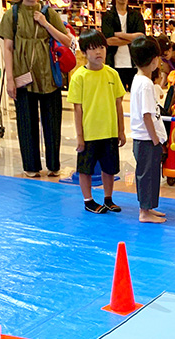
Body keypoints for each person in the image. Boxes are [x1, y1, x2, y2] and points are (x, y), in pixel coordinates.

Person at [0, 0, 72, 178]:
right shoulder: (12, 14)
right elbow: (7, 48)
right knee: (26, 121)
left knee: (53, 121)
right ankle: (30, 165)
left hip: (49, 75)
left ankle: (54, 164)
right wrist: (9, 79)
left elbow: (67, 41)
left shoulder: (48, 13)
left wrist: (46, 24)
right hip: (23, 75)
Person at [68, 30, 125, 214]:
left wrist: (121, 131)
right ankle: (88, 200)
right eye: (92, 49)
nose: (98, 52)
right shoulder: (79, 77)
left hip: (109, 131)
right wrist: (80, 137)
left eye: (101, 47)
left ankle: (108, 198)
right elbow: (77, 109)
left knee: (109, 169)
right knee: (85, 169)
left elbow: (118, 104)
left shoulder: (112, 74)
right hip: (89, 132)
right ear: (84, 53)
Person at [129, 36, 167, 224]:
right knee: (146, 175)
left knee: (151, 174)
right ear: (154, 60)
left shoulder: (141, 80)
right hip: (146, 139)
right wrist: (154, 139)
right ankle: (144, 211)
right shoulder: (144, 84)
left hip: (147, 138)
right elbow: (146, 115)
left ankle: (148, 208)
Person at [101, 0, 146, 91]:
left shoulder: (136, 15)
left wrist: (118, 34)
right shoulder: (108, 16)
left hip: (134, 63)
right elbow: (109, 41)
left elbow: (141, 37)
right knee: (115, 97)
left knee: (135, 95)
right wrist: (132, 38)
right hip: (113, 63)